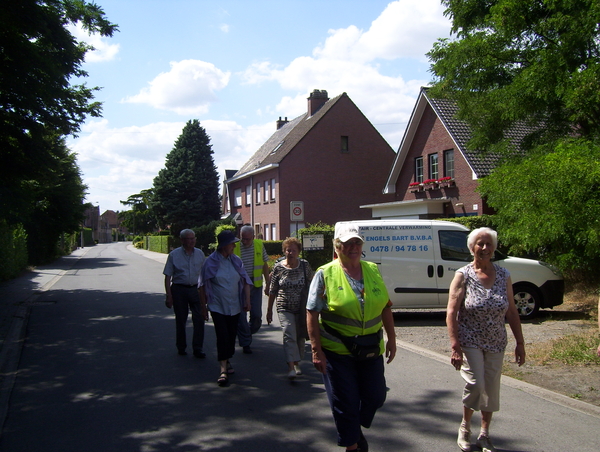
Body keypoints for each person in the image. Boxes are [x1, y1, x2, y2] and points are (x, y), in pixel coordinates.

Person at [307, 224, 396, 452]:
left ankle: (354, 429)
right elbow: (312, 311)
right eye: (346, 244)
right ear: (337, 247)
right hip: (338, 352)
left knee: (376, 396)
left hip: (370, 348)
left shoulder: (372, 270)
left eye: (356, 243)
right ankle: (353, 444)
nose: (352, 247)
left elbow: (385, 307)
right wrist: (316, 351)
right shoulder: (324, 273)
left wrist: (392, 339)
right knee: (345, 401)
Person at [447, 227, 526, 452]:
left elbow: (511, 311)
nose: (484, 248)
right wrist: (455, 346)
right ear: (472, 248)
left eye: (488, 244)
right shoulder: (463, 275)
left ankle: (484, 433)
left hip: (496, 341)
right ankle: (465, 428)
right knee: (476, 383)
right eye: (480, 244)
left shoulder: (503, 275)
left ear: (494, 248)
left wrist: (520, 343)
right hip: (470, 339)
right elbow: (451, 312)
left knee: (491, 388)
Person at [199, 230, 252, 386]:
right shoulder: (210, 262)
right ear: (223, 246)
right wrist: (203, 307)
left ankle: (227, 359)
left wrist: (247, 301)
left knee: (230, 336)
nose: (234, 246)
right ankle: (223, 369)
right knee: (222, 335)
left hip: (235, 306)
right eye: (232, 243)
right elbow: (201, 286)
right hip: (218, 305)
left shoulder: (236, 261)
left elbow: (245, 281)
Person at [267, 237, 314, 379]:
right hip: (284, 306)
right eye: (288, 250)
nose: (290, 253)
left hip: (301, 307)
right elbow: (273, 289)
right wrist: (269, 310)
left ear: (298, 252)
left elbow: (312, 285)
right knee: (289, 333)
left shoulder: (304, 265)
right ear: (284, 251)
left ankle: (297, 361)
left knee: (300, 336)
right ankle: (291, 366)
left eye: (294, 250)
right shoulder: (279, 267)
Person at [163, 228, 206, 358]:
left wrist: (206, 293)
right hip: (179, 289)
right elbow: (167, 277)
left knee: (199, 318)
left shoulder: (200, 254)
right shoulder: (174, 255)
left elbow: (204, 275)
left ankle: (198, 348)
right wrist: (169, 295)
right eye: (189, 238)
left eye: (194, 238)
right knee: (181, 319)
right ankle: (181, 347)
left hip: (196, 289)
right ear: (182, 240)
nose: (192, 241)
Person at [234, 225, 270, 354]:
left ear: (253, 237)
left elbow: (265, 265)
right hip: (239, 286)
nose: (244, 241)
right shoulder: (235, 246)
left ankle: (246, 334)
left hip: (256, 285)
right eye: (242, 238)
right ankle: (245, 343)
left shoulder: (259, 245)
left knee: (256, 316)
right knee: (241, 316)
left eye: (247, 239)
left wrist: (268, 283)